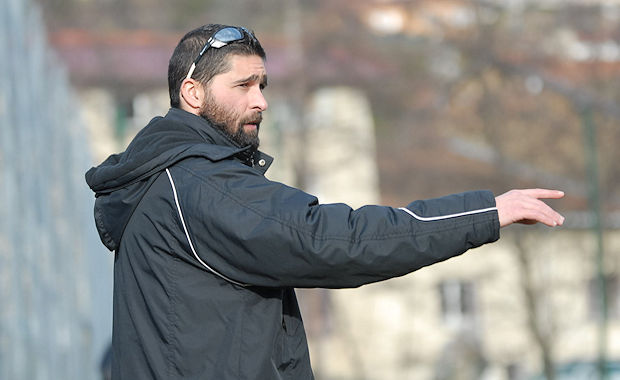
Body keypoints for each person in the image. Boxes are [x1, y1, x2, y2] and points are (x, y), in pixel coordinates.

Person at [85, 23, 565, 380]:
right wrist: (485, 212)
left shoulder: (164, 178)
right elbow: (334, 240)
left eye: (263, 85)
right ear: (192, 92)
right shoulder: (200, 185)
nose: (261, 101)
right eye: (243, 86)